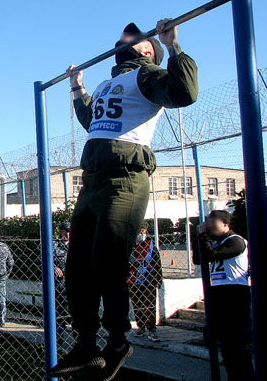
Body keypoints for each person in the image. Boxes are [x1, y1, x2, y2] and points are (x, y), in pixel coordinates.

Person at [49, 19, 198, 380]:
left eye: (137, 37)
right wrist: (76, 88)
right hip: (93, 182)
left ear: (148, 50)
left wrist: (173, 46)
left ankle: (117, 341)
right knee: (77, 267)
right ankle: (85, 343)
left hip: (125, 179)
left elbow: (185, 92)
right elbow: (91, 120)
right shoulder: (107, 84)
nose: (127, 36)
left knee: (107, 260)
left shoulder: (147, 76)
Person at [193, 210, 255, 380]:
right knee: (222, 342)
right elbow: (199, 259)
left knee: (236, 343)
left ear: (226, 224)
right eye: (208, 223)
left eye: (214, 223)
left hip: (235, 293)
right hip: (218, 292)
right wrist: (197, 235)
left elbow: (211, 255)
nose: (210, 226)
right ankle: (233, 375)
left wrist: (204, 236)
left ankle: (244, 376)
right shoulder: (216, 242)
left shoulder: (236, 241)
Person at [128, 222, 162, 342]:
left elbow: (157, 263)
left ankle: (151, 328)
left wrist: (159, 278)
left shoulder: (151, 247)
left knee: (149, 304)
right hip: (133, 278)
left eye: (143, 232)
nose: (140, 234)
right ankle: (140, 325)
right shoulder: (130, 247)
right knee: (137, 304)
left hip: (149, 278)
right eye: (138, 232)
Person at [54, 222, 71, 347]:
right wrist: (53, 267)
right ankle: (58, 343)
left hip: (75, 287)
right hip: (59, 288)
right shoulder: (54, 245)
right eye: (67, 231)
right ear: (61, 231)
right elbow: (40, 260)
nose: (69, 234)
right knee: (59, 316)